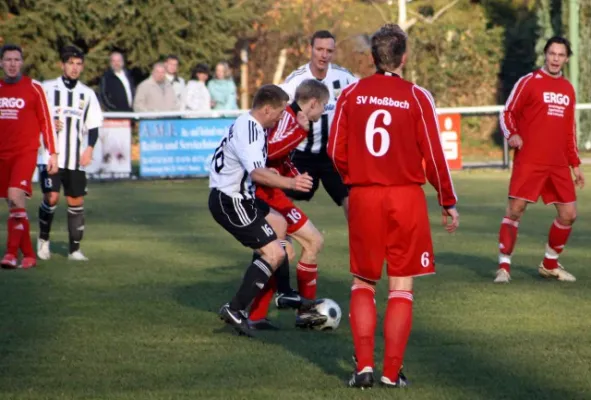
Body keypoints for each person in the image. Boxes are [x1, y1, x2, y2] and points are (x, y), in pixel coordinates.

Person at [328, 24, 459, 388]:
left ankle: (364, 368)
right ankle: (390, 373)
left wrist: (357, 176)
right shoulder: (417, 97)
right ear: (404, 57)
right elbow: (434, 156)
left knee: (363, 283)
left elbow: (334, 151)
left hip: (365, 197)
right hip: (406, 198)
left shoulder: (351, 94)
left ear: (372, 58)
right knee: (401, 286)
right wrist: (448, 202)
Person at [208, 84, 314, 337]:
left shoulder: (249, 123)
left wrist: (272, 173)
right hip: (230, 201)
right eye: (278, 114)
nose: (280, 118)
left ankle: (285, 292)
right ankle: (235, 309)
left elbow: (252, 166)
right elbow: (256, 172)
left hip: (241, 196)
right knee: (275, 253)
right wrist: (291, 182)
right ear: (267, 109)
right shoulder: (252, 130)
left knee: (279, 224)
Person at [494, 36, 584, 284]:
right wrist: (511, 134)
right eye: (552, 53)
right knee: (515, 210)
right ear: (545, 54)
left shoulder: (568, 89)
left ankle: (550, 264)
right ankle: (504, 267)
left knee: (569, 213)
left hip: (557, 164)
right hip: (530, 160)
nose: (555, 58)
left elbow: (569, 131)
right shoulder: (529, 82)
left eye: (561, 55)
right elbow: (508, 112)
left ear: (566, 58)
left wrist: (575, 165)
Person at [248, 79, 330, 330]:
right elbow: (269, 153)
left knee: (297, 248)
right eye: (323, 107)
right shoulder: (288, 118)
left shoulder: (292, 118)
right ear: (313, 103)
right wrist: (301, 133)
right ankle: (295, 311)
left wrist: (295, 176)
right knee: (295, 248)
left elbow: (280, 161)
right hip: (267, 194)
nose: (323, 113)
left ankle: (267, 314)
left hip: (275, 193)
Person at [36, 46, 104, 261]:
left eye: (78, 64)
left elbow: (93, 126)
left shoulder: (87, 94)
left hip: (75, 159)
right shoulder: (47, 89)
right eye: (70, 63)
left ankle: (74, 250)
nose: (74, 68)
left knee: (76, 202)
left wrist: (89, 149)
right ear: (62, 65)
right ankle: (43, 240)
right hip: (50, 156)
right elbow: (34, 116)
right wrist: (45, 123)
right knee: (52, 196)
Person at [281, 30, 358, 218]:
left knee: (352, 201)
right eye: (319, 49)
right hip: (301, 153)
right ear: (310, 49)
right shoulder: (295, 80)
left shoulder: (345, 78)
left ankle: (361, 247)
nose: (324, 55)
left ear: (334, 52)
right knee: (283, 202)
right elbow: (280, 112)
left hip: (333, 154)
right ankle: (275, 244)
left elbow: (360, 108)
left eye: (329, 51)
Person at [0, 44, 58, 269]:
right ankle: (30, 255)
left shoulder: (34, 88)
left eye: (16, 59)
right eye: (8, 60)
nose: (12, 64)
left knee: (15, 196)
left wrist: (52, 153)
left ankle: (11, 254)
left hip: (25, 153)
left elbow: (46, 121)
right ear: (2, 63)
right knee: (15, 206)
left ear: (22, 62)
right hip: (2, 155)